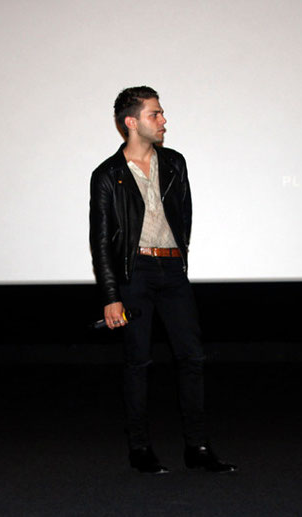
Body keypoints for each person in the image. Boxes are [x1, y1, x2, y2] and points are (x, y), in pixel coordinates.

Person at [89, 86, 236, 474]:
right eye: (155, 114)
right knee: (138, 361)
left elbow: (184, 216)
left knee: (192, 357)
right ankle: (139, 448)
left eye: (162, 113)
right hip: (133, 274)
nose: (164, 120)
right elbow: (101, 242)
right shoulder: (107, 175)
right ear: (131, 122)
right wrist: (110, 295)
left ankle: (198, 447)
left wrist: (178, 262)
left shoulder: (175, 163)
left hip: (172, 271)